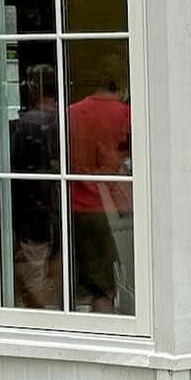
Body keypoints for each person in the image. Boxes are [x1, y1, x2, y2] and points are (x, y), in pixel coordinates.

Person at [67, 74, 133, 313]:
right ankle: (110, 330)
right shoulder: (124, 113)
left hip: (77, 204)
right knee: (109, 281)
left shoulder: (71, 112)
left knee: (92, 280)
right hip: (112, 205)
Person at [8, 63, 61, 308]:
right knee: (55, 269)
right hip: (57, 208)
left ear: (33, 88)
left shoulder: (27, 124)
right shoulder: (61, 121)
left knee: (35, 272)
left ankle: (44, 322)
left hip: (33, 211)